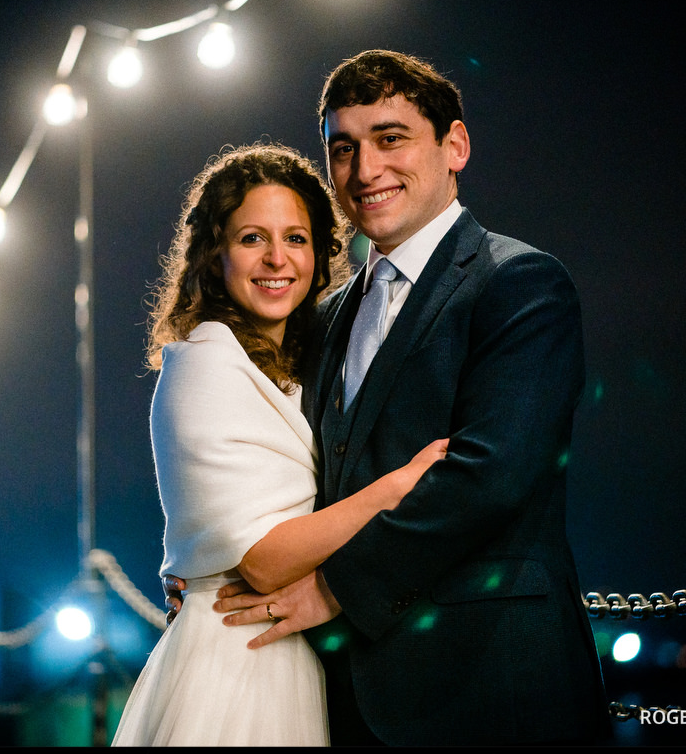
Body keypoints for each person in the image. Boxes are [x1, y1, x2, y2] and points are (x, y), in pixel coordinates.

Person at [204, 50, 611, 745]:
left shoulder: (522, 284)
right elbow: (286, 472)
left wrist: (336, 588)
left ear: (455, 146)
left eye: (390, 138)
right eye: (343, 148)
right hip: (346, 699)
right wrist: (208, 566)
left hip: (488, 687)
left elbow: (490, 476)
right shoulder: (325, 316)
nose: (365, 170)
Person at [112, 142, 447, 746]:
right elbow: (263, 561)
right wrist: (395, 488)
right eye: (250, 239)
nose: (276, 258)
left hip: (291, 652)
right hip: (237, 661)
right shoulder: (205, 365)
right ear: (214, 257)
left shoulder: (298, 362)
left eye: (296, 238)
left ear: (321, 255)